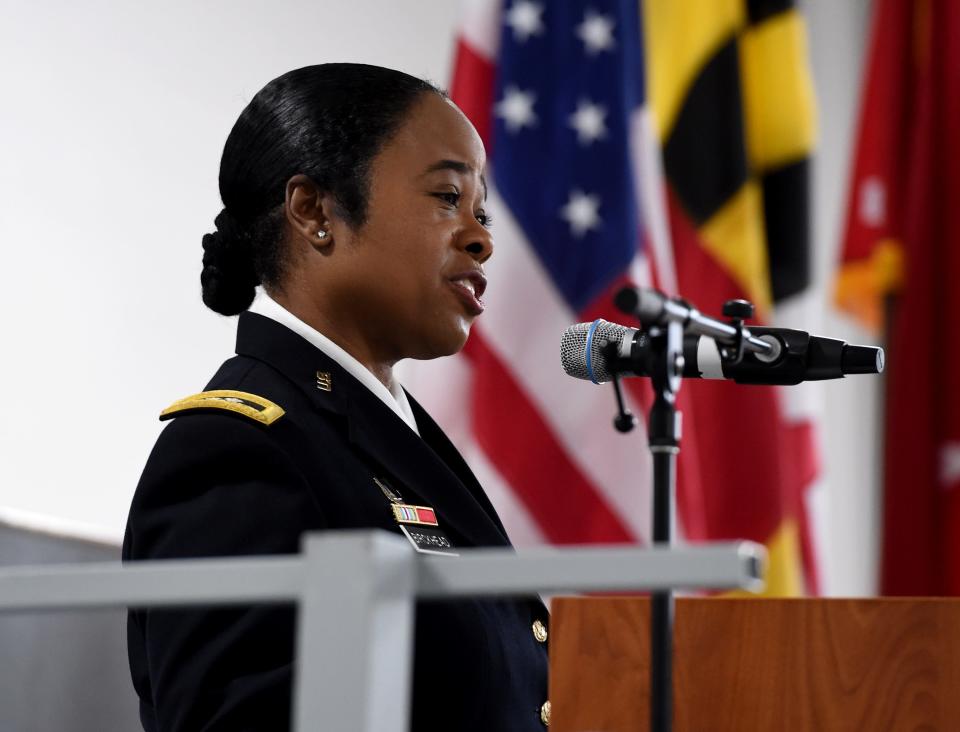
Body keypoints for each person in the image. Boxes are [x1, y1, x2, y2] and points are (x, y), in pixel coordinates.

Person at [122, 63, 550, 731]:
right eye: (446, 196)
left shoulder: (392, 436)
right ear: (316, 211)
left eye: (481, 210)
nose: (481, 237)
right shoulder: (237, 446)